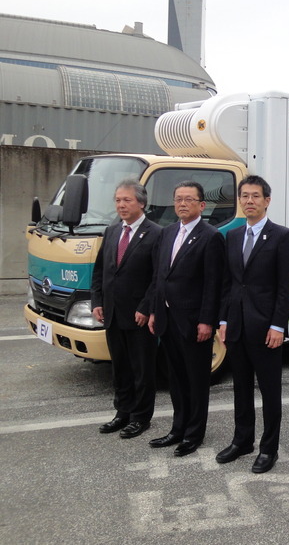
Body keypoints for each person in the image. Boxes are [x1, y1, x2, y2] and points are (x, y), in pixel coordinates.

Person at [216, 175, 289, 473]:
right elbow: (228, 283)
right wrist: (223, 319)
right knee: (241, 387)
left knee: (270, 391)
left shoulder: (281, 236)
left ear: (267, 201)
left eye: (255, 196)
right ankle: (242, 440)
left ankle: (268, 448)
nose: (249, 201)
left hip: (265, 329)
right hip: (236, 325)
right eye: (245, 196)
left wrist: (278, 326)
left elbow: (284, 288)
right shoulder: (233, 236)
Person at [148, 181, 225, 456]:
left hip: (194, 322)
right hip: (168, 319)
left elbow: (213, 283)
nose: (182, 204)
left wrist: (207, 321)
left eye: (189, 199)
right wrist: (155, 310)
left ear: (201, 205)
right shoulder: (167, 232)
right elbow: (160, 276)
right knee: (176, 379)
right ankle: (177, 428)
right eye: (178, 199)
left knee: (196, 380)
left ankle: (194, 434)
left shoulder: (211, 236)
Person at [91, 180, 161, 439]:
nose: (121, 205)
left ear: (141, 203)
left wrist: (146, 307)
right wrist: (97, 301)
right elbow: (100, 270)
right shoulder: (111, 231)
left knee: (142, 369)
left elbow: (158, 277)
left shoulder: (156, 233)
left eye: (127, 200)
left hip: (139, 316)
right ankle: (122, 412)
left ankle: (141, 417)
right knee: (119, 367)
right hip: (112, 313)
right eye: (118, 200)